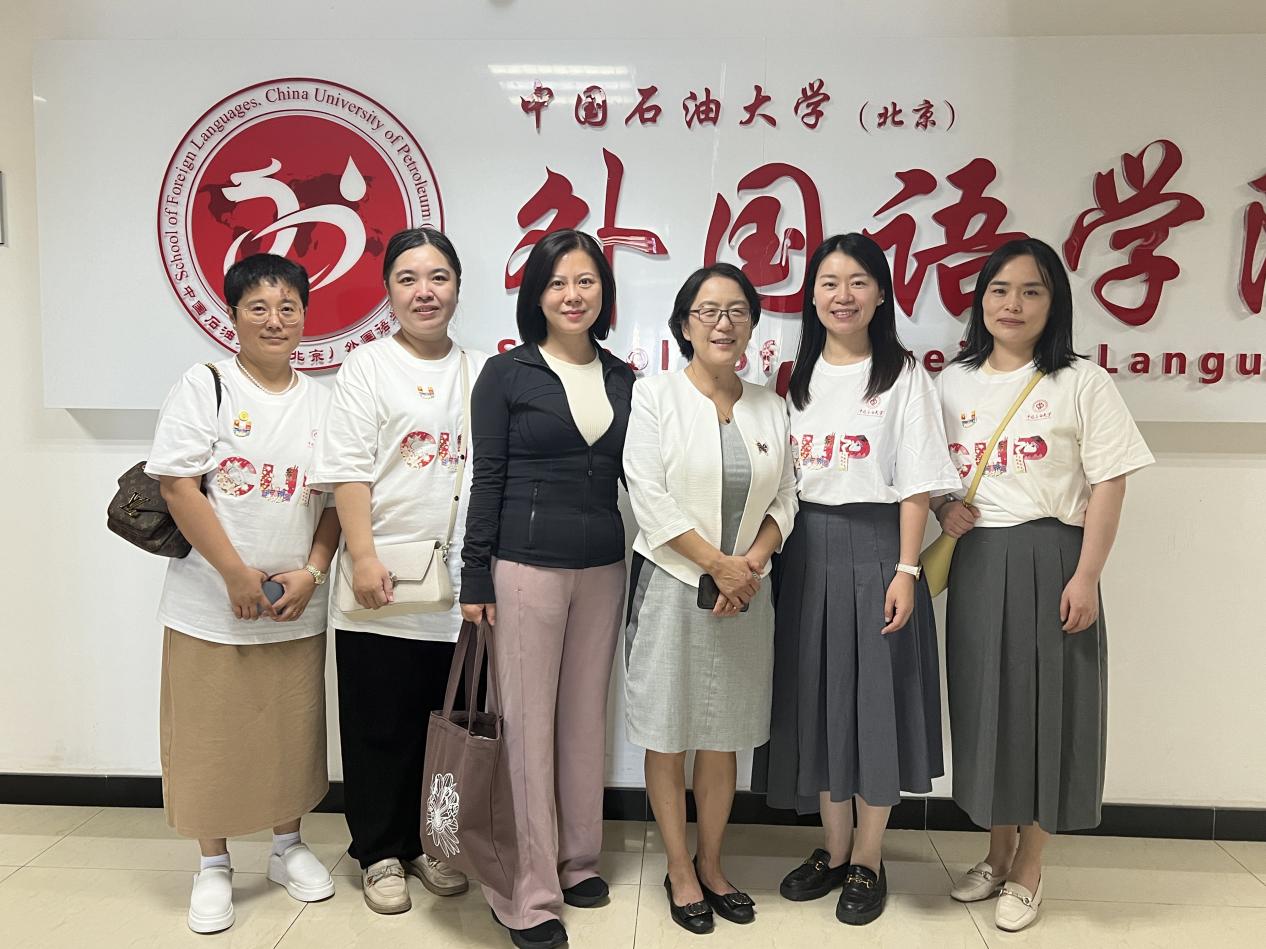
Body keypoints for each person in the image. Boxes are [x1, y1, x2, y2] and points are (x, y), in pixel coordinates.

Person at [932, 238, 1154, 932]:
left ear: (1053, 302)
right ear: (980, 300)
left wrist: (1087, 575)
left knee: (1049, 711)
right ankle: (996, 853)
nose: (1013, 304)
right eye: (1000, 289)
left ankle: (1029, 866)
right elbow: (930, 471)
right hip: (978, 560)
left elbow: (1110, 481)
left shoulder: (1082, 381)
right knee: (987, 707)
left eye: (1031, 291)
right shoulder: (952, 383)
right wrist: (943, 508)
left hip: (1055, 555)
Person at [752, 233, 961, 925]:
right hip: (804, 552)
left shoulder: (903, 375)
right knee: (818, 700)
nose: (843, 296)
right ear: (811, 295)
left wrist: (906, 568)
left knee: (874, 704)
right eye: (829, 282)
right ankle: (834, 848)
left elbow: (916, 484)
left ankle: (869, 858)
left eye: (858, 282)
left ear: (880, 294)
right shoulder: (794, 377)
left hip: (878, 550)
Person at [146, 253, 340, 934]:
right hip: (209, 601)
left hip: (293, 602)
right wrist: (233, 573)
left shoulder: (323, 401)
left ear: (306, 316)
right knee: (210, 736)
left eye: (288, 307)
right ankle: (213, 863)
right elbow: (177, 485)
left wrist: (313, 571)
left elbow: (337, 500)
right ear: (231, 316)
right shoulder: (206, 385)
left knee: (289, 729)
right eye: (258, 307)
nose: (275, 320)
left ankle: (288, 846)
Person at [459, 229, 635, 949]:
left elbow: (643, 479)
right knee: (527, 727)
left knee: (584, 718)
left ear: (603, 292)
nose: (572, 294)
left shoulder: (624, 377)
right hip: (525, 566)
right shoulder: (507, 374)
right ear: (536, 294)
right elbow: (488, 478)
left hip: (603, 566)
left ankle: (577, 859)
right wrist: (475, 573)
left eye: (585, 281)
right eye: (557, 282)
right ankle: (526, 891)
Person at [309, 227, 487, 914]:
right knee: (377, 723)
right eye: (409, 278)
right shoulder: (367, 367)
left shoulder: (480, 370)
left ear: (458, 288)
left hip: (457, 584)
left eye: (438, 277)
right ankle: (380, 850)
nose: (425, 291)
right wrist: (361, 556)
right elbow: (348, 471)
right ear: (388, 291)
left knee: (446, 725)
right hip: (379, 576)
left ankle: (432, 843)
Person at [623, 263, 798, 936]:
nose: (723, 323)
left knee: (724, 735)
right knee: (668, 731)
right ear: (684, 323)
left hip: (746, 591)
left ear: (752, 324)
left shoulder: (769, 404)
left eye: (737, 311)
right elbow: (647, 494)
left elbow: (787, 497)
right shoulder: (655, 395)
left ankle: (713, 861)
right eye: (708, 311)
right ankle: (678, 868)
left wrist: (749, 564)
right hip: (672, 585)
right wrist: (717, 566)